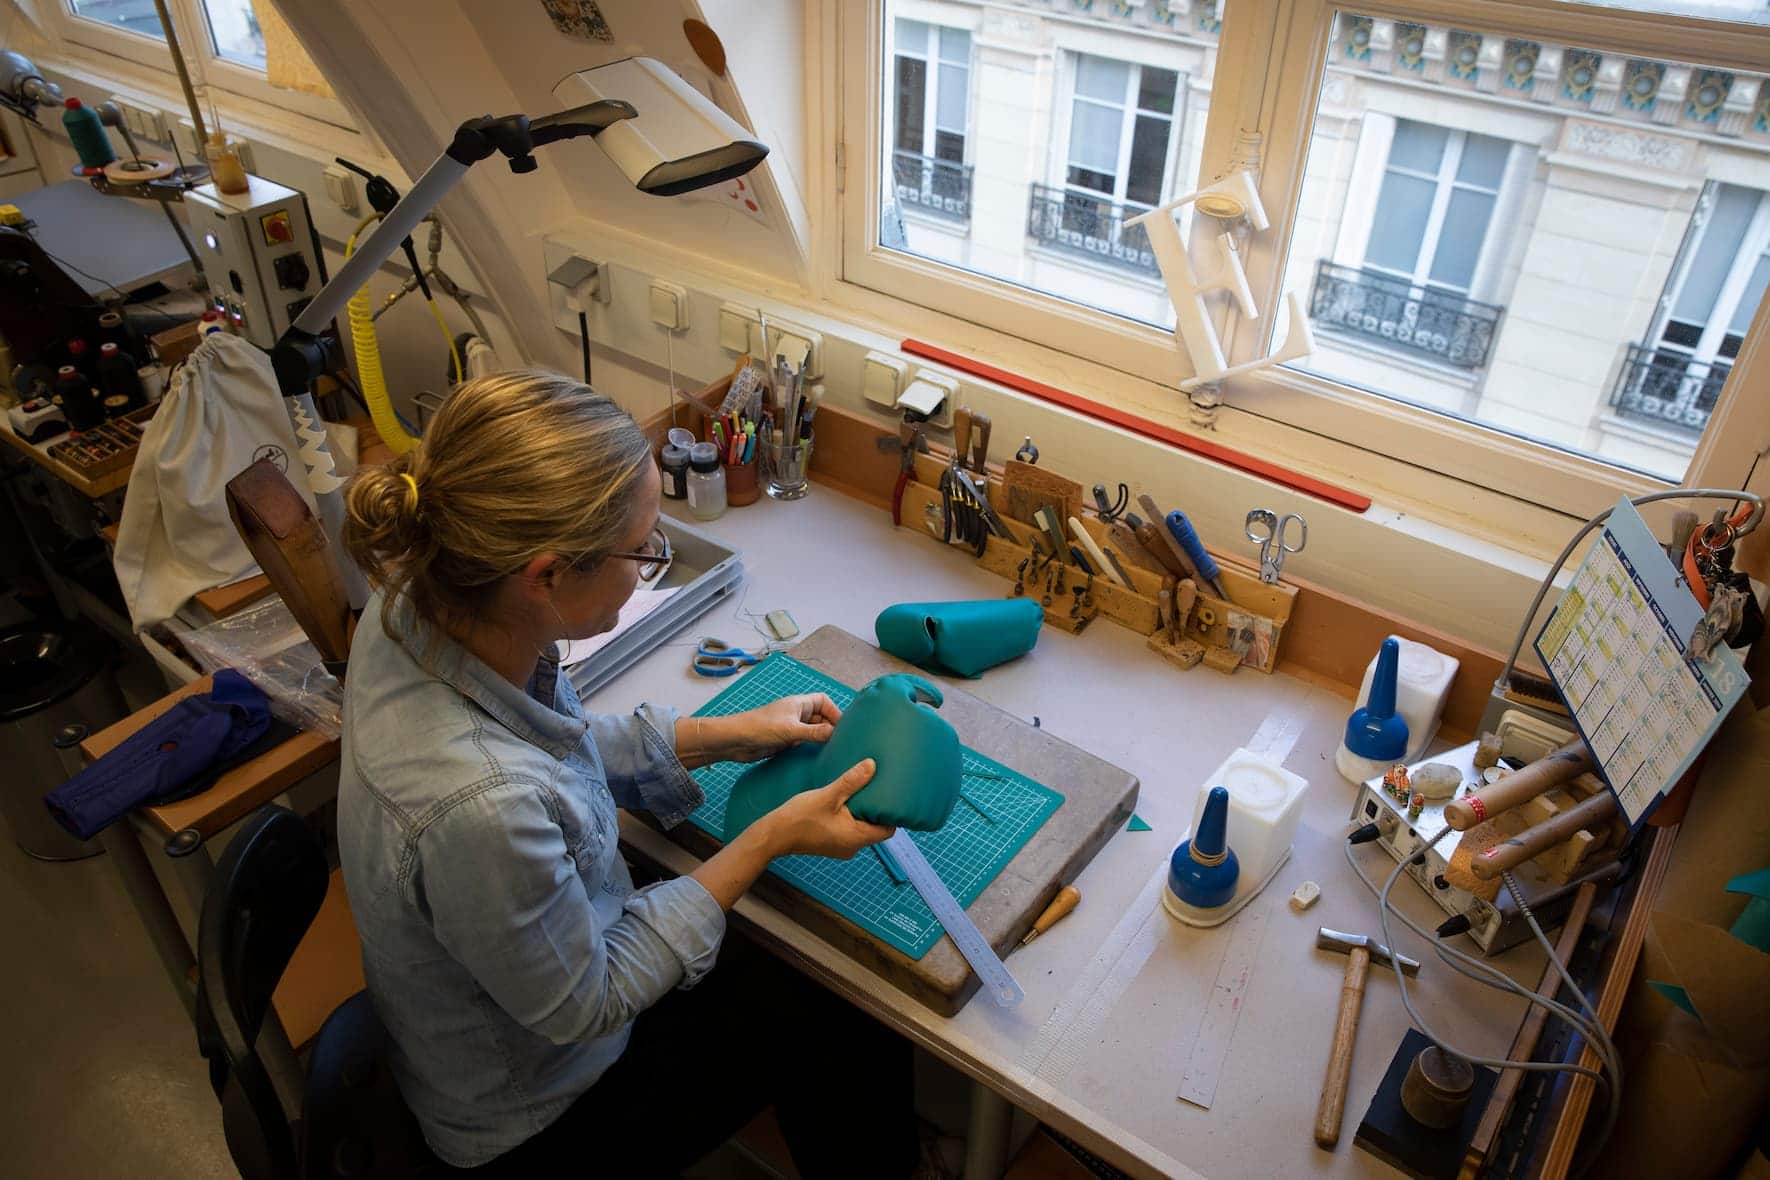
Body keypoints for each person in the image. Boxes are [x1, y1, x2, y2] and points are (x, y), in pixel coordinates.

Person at [337, 370, 919, 1176]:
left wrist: (719, 733)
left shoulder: (422, 601)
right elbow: (593, 999)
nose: (655, 558)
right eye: (642, 549)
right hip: (539, 1119)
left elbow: (546, 745)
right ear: (544, 576)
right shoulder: (478, 809)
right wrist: (765, 840)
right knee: (836, 1009)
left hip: (502, 1020)